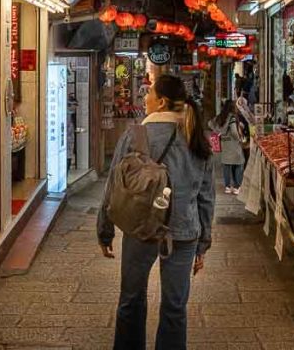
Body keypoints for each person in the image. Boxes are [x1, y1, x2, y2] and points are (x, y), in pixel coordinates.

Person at [97, 74, 215, 350]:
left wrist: (104, 230)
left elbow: (114, 186)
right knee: (175, 307)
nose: (144, 97)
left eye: (149, 93)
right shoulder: (196, 138)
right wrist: (203, 243)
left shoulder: (135, 135)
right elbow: (206, 197)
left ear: (160, 102)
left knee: (131, 300)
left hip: (141, 230)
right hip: (184, 233)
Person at [210, 100, 245, 194]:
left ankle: (228, 187)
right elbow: (234, 131)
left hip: (225, 143)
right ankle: (237, 187)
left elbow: (210, 123)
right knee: (239, 164)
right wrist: (239, 139)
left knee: (226, 165)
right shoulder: (232, 118)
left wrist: (219, 132)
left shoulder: (222, 117)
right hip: (233, 144)